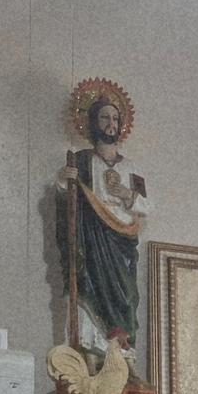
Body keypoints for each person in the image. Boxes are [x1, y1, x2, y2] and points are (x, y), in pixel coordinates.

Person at [55, 86, 150, 367]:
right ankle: (92, 354)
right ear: (93, 123)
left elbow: (146, 206)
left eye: (115, 120)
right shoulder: (83, 161)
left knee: (125, 296)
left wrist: (126, 195)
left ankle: (122, 357)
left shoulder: (130, 167)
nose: (111, 124)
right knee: (90, 288)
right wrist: (64, 179)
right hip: (92, 239)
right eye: (105, 118)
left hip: (121, 244)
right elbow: (66, 199)